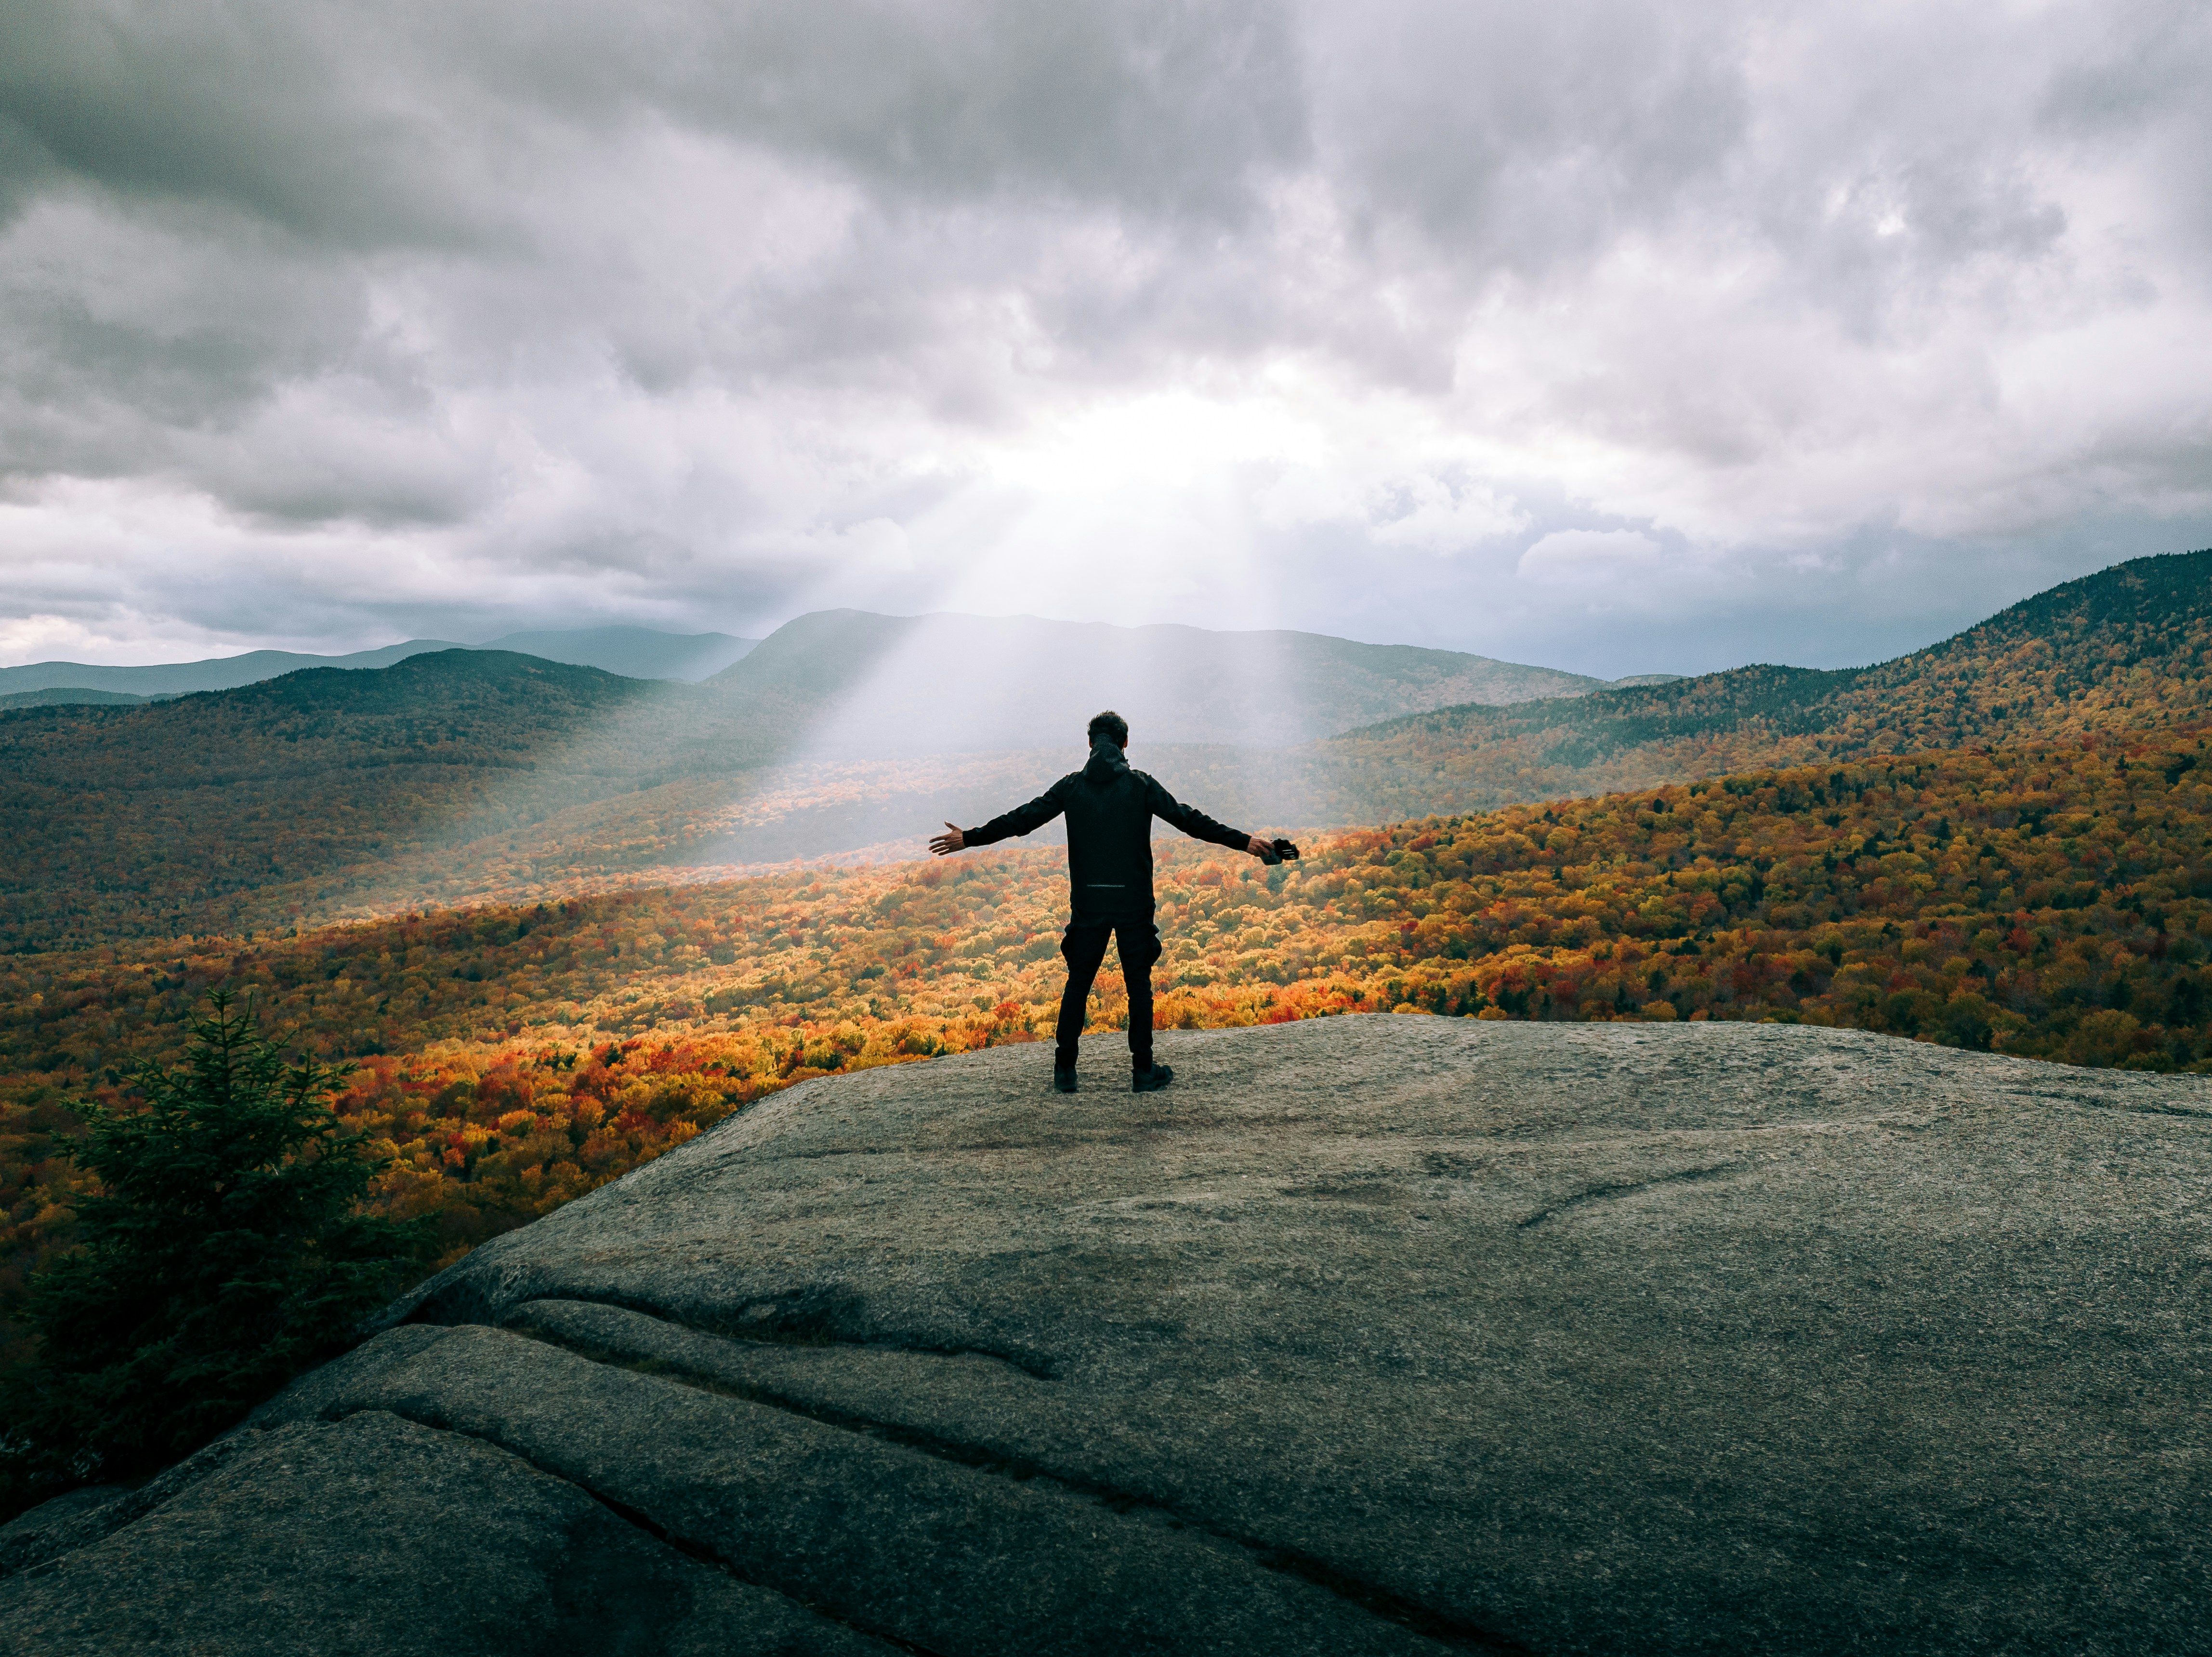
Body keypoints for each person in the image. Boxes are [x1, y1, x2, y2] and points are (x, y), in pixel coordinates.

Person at [929, 710, 1292, 1095]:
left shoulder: (1071, 788)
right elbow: (1191, 821)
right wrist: (1246, 842)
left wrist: (970, 837)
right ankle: (1142, 1072)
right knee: (1139, 986)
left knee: (1079, 983)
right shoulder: (1141, 786)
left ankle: (1065, 1070)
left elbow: (1022, 819)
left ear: (1090, 744)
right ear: (1125, 743)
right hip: (1134, 901)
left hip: (1089, 901)